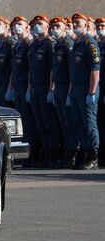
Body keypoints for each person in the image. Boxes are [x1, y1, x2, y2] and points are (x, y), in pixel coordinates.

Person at [27, 15, 60, 167]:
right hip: (34, 88)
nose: (37, 26)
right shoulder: (33, 45)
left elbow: (53, 68)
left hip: (45, 88)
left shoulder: (50, 44)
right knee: (39, 123)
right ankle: (43, 153)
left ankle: (52, 155)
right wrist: (29, 88)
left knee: (49, 123)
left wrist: (51, 89)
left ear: (47, 27)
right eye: (35, 24)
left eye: (40, 23)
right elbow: (30, 69)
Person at [68, 13, 100, 170]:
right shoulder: (77, 43)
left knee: (89, 124)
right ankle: (84, 154)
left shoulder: (90, 44)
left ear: (86, 25)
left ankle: (93, 156)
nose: (75, 26)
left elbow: (95, 70)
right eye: (74, 23)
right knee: (78, 123)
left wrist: (92, 93)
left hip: (86, 89)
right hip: (75, 89)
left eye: (78, 23)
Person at [11, 16, 41, 167]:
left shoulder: (29, 44)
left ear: (27, 27)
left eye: (20, 24)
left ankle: (35, 153)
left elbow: (30, 69)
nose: (17, 27)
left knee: (30, 122)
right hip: (18, 87)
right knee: (22, 122)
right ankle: (28, 154)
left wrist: (28, 88)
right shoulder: (18, 45)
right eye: (15, 24)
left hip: (27, 87)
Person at [50, 17, 76, 167]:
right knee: (62, 123)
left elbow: (72, 71)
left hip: (67, 87)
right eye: (53, 26)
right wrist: (52, 88)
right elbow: (54, 69)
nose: (55, 29)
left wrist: (69, 93)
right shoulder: (58, 45)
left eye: (57, 26)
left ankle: (72, 154)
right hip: (58, 87)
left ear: (65, 28)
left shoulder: (68, 45)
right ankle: (65, 153)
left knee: (69, 122)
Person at [0, 16, 14, 107]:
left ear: (7, 27)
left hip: (6, 85)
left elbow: (13, 68)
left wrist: (10, 88)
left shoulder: (11, 42)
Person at [96, 17, 105, 167]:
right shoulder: (98, 45)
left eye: (103, 25)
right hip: (100, 88)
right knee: (101, 123)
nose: (100, 28)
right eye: (98, 26)